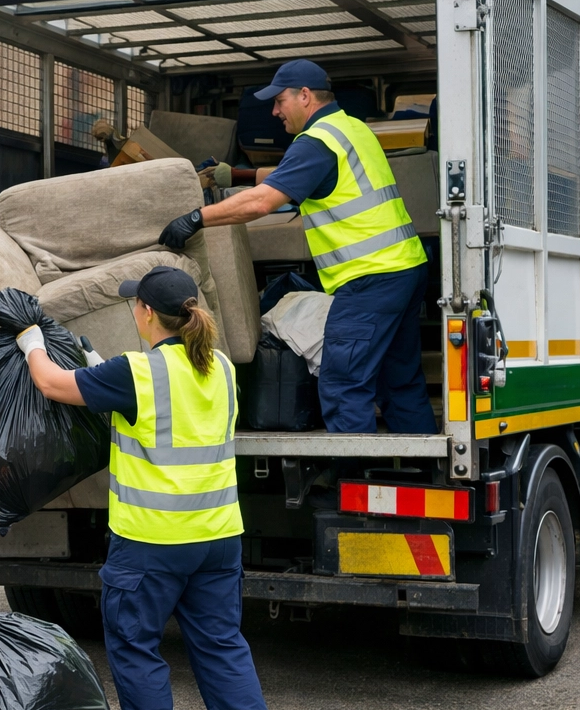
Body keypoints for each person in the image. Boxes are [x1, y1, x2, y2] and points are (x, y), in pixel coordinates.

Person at [15, 265, 279, 710]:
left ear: (145, 314)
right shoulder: (222, 367)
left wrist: (30, 342)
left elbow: (48, 384)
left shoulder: (136, 372)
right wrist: (98, 367)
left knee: (136, 646)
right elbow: (167, 410)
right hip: (217, 536)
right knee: (221, 643)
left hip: (151, 541)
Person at [158, 58, 437, 435]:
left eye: (279, 100)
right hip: (405, 268)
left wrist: (196, 219)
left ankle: (353, 490)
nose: (274, 111)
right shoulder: (351, 128)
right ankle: (421, 477)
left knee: (342, 384)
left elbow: (262, 203)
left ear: (305, 96)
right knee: (400, 381)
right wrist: (236, 175)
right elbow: (292, 176)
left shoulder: (316, 141)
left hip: (370, 279)